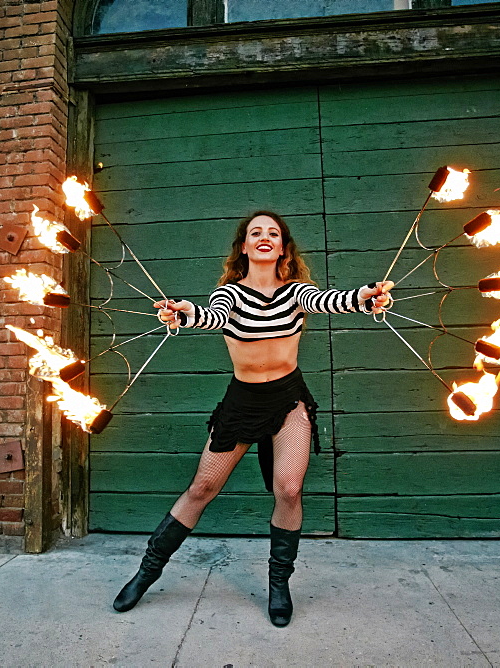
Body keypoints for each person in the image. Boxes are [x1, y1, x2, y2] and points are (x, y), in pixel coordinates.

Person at [112, 211, 393, 627]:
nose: (264, 237)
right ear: (243, 246)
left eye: (273, 233)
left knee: (289, 489)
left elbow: (333, 300)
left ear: (282, 248)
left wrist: (366, 296)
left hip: (288, 399)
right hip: (242, 402)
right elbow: (213, 315)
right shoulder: (229, 295)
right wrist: (186, 313)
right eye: (255, 233)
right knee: (202, 487)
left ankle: (279, 585)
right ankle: (145, 574)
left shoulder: (298, 292)